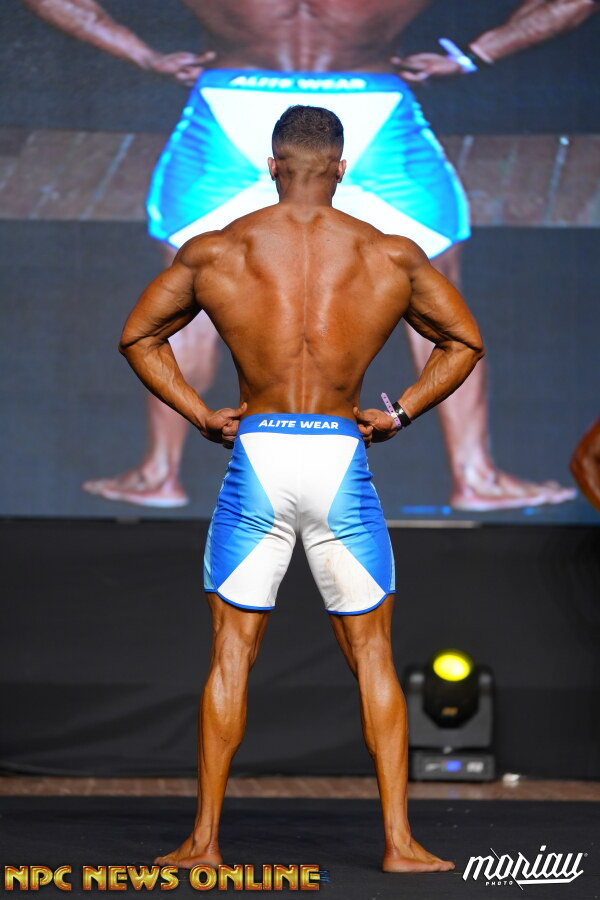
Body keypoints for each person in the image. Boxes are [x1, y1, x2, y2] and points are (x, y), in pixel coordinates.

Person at [23, 0, 595, 511]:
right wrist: (475, 54)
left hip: (229, 103)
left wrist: (143, 55)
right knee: (433, 293)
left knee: (194, 289)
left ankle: (158, 473)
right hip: (373, 106)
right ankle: (476, 475)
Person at [118, 105, 484, 872]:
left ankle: (204, 843)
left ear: (271, 164)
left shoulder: (219, 249)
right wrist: (400, 413)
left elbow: (138, 336)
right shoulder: (390, 254)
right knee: (373, 654)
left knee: (231, 654)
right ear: (343, 168)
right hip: (340, 459)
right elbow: (464, 342)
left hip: (257, 456)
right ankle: (400, 844)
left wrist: (201, 414)